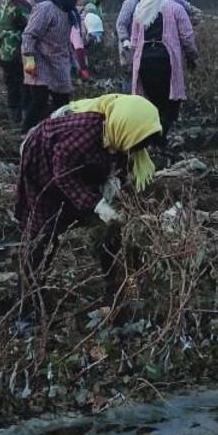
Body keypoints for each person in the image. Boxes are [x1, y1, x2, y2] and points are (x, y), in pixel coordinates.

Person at [15, 92, 162, 323]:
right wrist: (97, 204)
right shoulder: (85, 131)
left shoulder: (119, 134)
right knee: (42, 235)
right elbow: (62, 175)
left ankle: (117, 291)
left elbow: (121, 170)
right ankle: (27, 308)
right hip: (42, 169)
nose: (140, 148)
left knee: (110, 232)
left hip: (79, 171)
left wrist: (119, 204)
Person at [130, 0, 197, 141]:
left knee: (152, 101)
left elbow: (134, 41)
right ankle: (160, 137)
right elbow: (187, 36)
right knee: (171, 102)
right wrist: (192, 56)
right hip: (166, 62)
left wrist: (134, 62)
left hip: (144, 62)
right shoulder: (175, 8)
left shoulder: (140, 9)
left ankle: (153, 138)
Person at [21, 0, 83, 132]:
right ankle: (25, 132)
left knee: (62, 102)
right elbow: (29, 35)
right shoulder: (45, 9)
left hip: (59, 62)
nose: (77, 0)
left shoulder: (68, 13)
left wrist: (75, 64)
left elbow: (66, 43)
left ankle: (59, 131)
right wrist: (30, 62)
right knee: (39, 99)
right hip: (39, 60)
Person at [0, 0, 34, 127]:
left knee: (11, 84)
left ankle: (14, 118)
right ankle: (25, 120)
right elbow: (30, 26)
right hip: (17, 53)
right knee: (25, 84)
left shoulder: (3, 0)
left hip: (3, 52)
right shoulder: (18, 5)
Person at [117, 0, 150, 79]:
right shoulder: (130, 3)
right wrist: (125, 39)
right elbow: (121, 23)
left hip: (140, 44)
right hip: (128, 45)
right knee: (129, 72)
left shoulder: (147, 4)